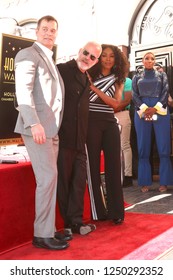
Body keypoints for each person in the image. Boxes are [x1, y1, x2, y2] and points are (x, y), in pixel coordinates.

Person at [14, 15, 70, 250]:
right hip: (37, 128)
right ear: (36, 32)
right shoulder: (28, 54)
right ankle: (42, 234)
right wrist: (34, 123)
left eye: (53, 30)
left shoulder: (49, 58)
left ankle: (47, 229)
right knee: (47, 179)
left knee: (50, 179)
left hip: (50, 128)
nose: (49, 33)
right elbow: (23, 92)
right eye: (44, 29)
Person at [56, 41, 102, 235]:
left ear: (95, 61)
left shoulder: (87, 78)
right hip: (62, 136)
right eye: (86, 53)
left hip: (79, 139)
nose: (87, 58)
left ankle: (75, 222)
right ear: (79, 51)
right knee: (64, 182)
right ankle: (69, 223)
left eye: (92, 57)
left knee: (78, 181)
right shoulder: (61, 70)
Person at [86, 44, 127, 223]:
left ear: (116, 59)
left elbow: (116, 104)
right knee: (92, 168)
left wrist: (93, 88)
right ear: (98, 57)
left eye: (111, 56)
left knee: (114, 167)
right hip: (90, 123)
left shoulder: (118, 78)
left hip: (110, 122)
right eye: (104, 56)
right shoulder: (88, 74)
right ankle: (98, 212)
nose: (108, 59)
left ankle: (116, 213)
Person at [132, 51, 173, 193]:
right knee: (143, 148)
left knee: (164, 148)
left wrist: (154, 109)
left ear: (155, 61)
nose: (149, 60)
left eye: (152, 59)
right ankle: (144, 182)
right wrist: (145, 109)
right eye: (146, 58)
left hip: (160, 111)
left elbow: (165, 91)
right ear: (142, 61)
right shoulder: (136, 76)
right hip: (141, 112)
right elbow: (134, 95)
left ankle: (165, 182)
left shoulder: (162, 75)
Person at [114, 63, 133, 187]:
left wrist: (114, 108)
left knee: (124, 145)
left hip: (122, 113)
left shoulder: (127, 81)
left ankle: (128, 176)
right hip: (108, 115)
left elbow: (127, 100)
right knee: (112, 147)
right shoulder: (108, 81)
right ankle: (115, 175)